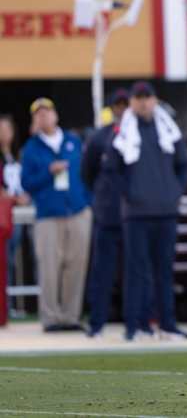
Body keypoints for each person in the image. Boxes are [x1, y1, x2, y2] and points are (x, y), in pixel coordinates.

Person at [107, 82, 187, 341]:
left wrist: (174, 192)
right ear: (131, 102)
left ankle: (167, 323)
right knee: (136, 271)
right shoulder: (123, 132)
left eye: (147, 97)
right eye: (138, 98)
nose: (143, 103)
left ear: (154, 100)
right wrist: (130, 194)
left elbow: (184, 164)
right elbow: (112, 169)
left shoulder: (168, 128)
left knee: (164, 271)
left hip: (165, 211)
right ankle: (135, 324)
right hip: (136, 213)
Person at [20, 98, 92, 332]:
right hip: (49, 215)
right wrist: (48, 172)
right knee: (50, 267)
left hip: (78, 211)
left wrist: (87, 201)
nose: (43, 117)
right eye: (38, 114)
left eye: (46, 112)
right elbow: (26, 183)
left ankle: (71, 316)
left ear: (55, 115)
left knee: (76, 264)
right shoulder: (31, 148)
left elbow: (86, 173)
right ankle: (51, 317)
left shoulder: (73, 140)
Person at [81, 89, 129, 337]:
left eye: (125, 105)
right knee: (102, 271)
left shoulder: (138, 135)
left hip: (133, 214)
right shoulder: (99, 137)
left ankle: (135, 323)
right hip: (107, 213)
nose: (121, 109)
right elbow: (87, 173)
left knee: (134, 270)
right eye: (117, 105)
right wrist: (100, 199)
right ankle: (97, 322)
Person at [0, 115, 31, 315]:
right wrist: (11, 197)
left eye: (6, 129)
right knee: (7, 259)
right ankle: (7, 305)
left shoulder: (19, 155)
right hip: (5, 214)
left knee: (17, 259)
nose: (4, 133)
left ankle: (16, 304)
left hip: (23, 212)